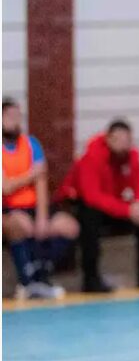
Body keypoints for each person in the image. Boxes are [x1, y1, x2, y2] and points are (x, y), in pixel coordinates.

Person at [63, 120, 139, 293]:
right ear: (109, 139)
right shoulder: (91, 157)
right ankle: (91, 277)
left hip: (114, 205)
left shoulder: (132, 156)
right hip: (86, 206)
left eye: (128, 141)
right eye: (119, 140)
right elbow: (92, 196)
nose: (124, 145)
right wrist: (127, 210)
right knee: (90, 217)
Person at [2, 98, 75, 299]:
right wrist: (30, 175)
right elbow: (5, 187)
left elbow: (41, 181)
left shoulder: (31, 144)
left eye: (17, 116)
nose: (14, 121)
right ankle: (27, 282)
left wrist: (42, 217)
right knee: (21, 225)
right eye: (9, 116)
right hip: (8, 209)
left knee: (67, 226)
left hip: (32, 206)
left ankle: (42, 272)